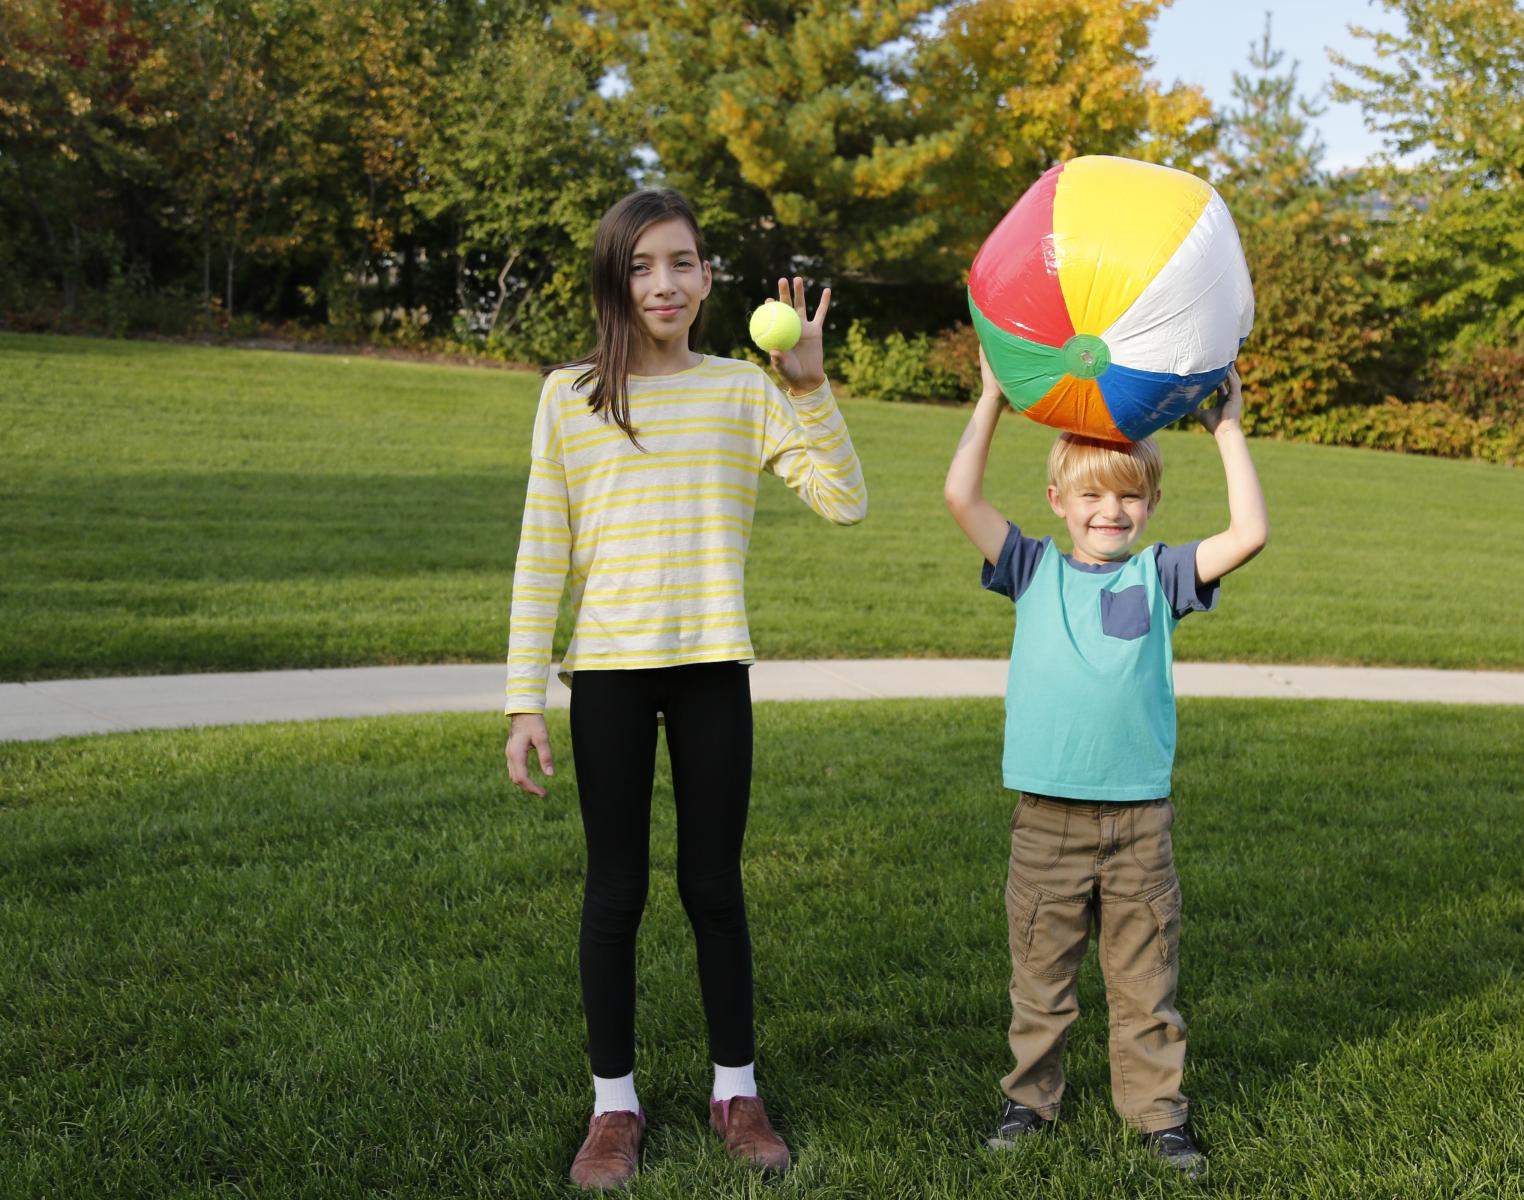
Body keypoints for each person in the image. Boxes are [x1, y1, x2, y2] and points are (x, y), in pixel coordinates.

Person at [502, 188, 866, 1191]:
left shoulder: (744, 392)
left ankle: (735, 1091)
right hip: (609, 677)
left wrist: (810, 385)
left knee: (713, 887)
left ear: (709, 278)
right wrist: (523, 697)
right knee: (614, 890)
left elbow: (845, 502)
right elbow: (544, 552)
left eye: (682, 263)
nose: (663, 283)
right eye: (641, 265)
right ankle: (612, 1106)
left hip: (712, 670)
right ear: (615, 280)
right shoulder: (567, 395)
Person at [942, 354, 1266, 1180]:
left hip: (1137, 823)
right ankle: (1029, 1101)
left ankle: (1159, 1116)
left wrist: (1226, 428)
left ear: (1152, 502)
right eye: (1091, 494)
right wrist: (989, 398)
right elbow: (960, 499)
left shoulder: (1161, 577)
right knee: (1040, 977)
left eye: (1128, 495)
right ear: (1058, 502)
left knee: (1145, 979)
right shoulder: (1031, 568)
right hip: (1047, 820)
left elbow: (1249, 535)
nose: (1110, 509)